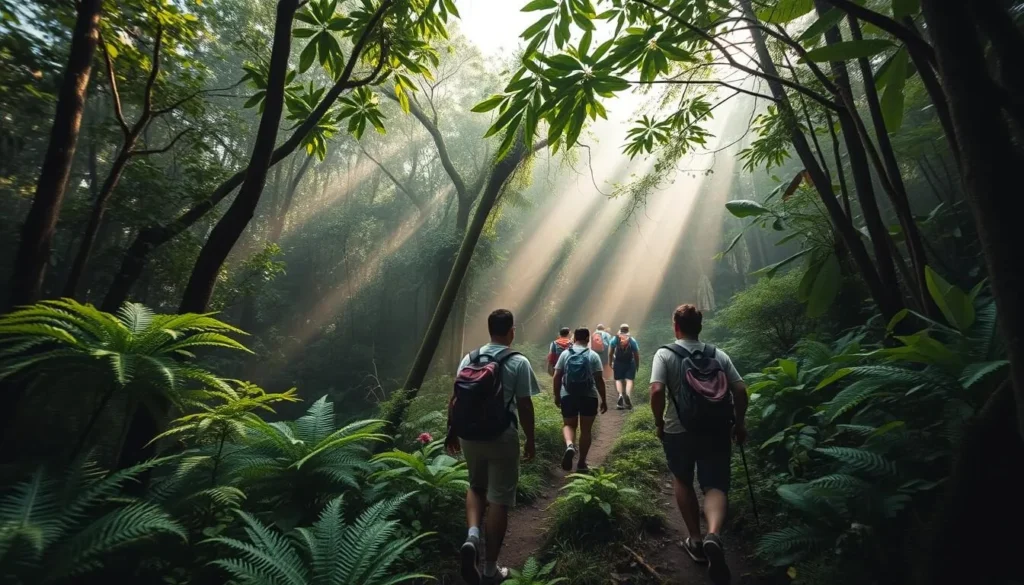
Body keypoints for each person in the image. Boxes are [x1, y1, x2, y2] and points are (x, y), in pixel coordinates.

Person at [649, 304, 747, 585]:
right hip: (716, 430)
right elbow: (740, 389)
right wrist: (739, 423)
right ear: (700, 327)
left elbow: (656, 389)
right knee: (715, 484)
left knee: (682, 478)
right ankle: (714, 534)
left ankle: (695, 540)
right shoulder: (718, 354)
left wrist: (659, 422)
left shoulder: (665, 354)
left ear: (675, 326)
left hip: (679, 430)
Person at [448, 309, 541, 585]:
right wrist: (531, 440)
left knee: (476, 486)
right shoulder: (518, 361)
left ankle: (472, 536)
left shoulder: (470, 357)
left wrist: (450, 432)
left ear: (489, 330)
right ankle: (490, 570)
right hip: (502, 435)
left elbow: (455, 398)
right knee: (499, 498)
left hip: (468, 436)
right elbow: (525, 405)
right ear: (511, 330)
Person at [552, 327, 608, 472]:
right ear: (588, 339)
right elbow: (599, 380)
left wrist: (557, 395)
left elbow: (557, 376)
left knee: (569, 425)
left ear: (574, 338)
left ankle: (570, 444)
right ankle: (582, 463)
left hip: (568, 395)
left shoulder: (565, 354)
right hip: (589, 396)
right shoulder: (593, 355)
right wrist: (604, 399)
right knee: (586, 430)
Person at [608, 323, 640, 409]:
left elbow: (611, 353)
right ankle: (628, 395)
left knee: (618, 380)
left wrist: (610, 362)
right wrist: (637, 365)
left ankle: (620, 395)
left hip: (618, 362)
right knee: (629, 380)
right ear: (628, 330)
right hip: (630, 362)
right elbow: (636, 354)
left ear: (620, 329)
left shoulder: (615, 339)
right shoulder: (631, 340)